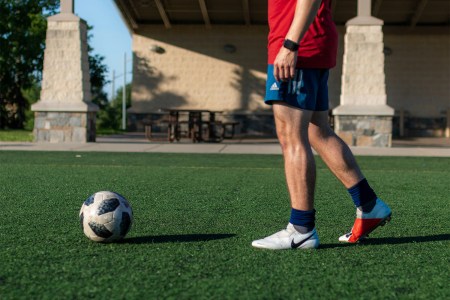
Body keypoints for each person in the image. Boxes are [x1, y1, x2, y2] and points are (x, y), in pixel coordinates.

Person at [251, 0, 392, 250]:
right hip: (312, 42)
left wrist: (290, 44)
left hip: (298, 46)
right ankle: (369, 204)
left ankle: (301, 229)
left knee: (292, 137)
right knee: (317, 132)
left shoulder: (293, 43)